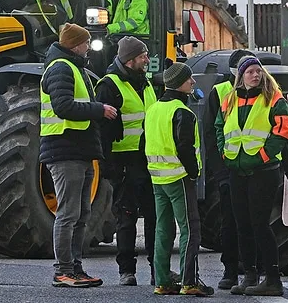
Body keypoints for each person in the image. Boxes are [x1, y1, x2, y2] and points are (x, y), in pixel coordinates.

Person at [40, 23, 118, 288]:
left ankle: (75, 267)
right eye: (85, 43)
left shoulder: (74, 68)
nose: (88, 47)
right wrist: (98, 109)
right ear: (75, 44)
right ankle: (63, 270)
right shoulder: (61, 68)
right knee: (69, 213)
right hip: (65, 150)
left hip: (79, 151)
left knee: (81, 213)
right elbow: (63, 106)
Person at [215, 56, 288, 297]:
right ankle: (249, 275)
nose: (255, 75)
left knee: (260, 225)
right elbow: (219, 127)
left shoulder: (274, 98)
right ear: (241, 76)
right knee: (243, 225)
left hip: (263, 171)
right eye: (250, 72)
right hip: (237, 169)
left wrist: (262, 156)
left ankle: (272, 277)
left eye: (258, 71)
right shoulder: (229, 99)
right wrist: (225, 154)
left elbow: (283, 132)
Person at [94, 36, 158, 286]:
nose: (147, 59)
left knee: (155, 217)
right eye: (143, 56)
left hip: (149, 159)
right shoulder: (109, 85)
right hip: (125, 162)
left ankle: (158, 269)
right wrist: (110, 166)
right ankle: (127, 271)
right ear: (130, 59)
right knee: (127, 217)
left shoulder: (146, 82)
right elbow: (102, 131)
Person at [146, 62, 213, 296]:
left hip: (158, 179)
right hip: (179, 178)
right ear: (178, 84)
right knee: (190, 230)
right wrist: (194, 172)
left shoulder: (153, 109)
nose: (193, 83)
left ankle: (162, 281)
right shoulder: (182, 112)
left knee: (163, 230)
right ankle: (189, 282)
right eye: (189, 80)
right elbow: (185, 147)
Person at [201, 49, 255, 290]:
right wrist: (220, 174)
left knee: (255, 223)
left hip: (256, 170)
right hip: (230, 170)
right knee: (230, 222)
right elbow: (211, 137)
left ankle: (252, 270)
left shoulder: (266, 93)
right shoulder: (220, 93)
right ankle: (231, 270)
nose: (254, 74)